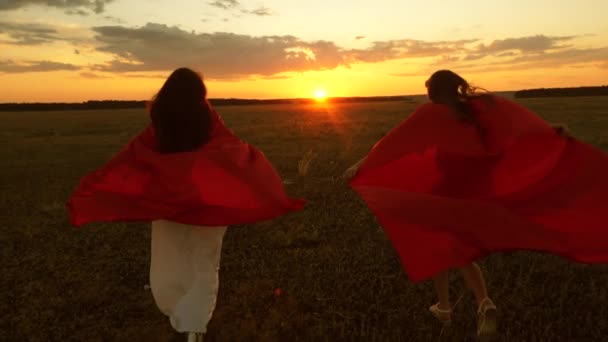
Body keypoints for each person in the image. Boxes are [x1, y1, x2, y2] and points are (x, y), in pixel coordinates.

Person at [344, 70, 608, 340]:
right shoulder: (482, 106)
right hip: (482, 188)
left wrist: (361, 165)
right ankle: (460, 305)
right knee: (448, 246)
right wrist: (549, 131)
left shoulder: (431, 114)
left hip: (450, 189)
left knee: (443, 245)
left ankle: (468, 304)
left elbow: (397, 141)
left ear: (433, 92)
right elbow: (517, 122)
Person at [67, 67, 305, 341]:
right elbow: (229, 147)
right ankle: (195, 324)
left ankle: (185, 315)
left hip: (170, 200)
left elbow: (137, 154)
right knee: (203, 261)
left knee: (171, 261)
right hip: (207, 199)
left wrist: (96, 190)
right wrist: (256, 177)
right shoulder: (204, 115)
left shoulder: (161, 117)